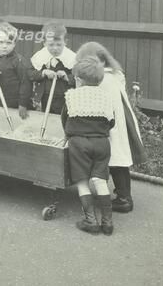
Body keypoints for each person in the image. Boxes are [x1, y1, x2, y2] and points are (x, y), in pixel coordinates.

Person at [76, 42, 147, 213]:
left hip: (113, 123)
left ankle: (123, 199)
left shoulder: (103, 80)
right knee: (118, 159)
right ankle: (123, 196)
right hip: (120, 120)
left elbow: (94, 102)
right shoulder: (114, 74)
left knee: (116, 160)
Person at [61, 56, 116, 235]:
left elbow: (65, 119)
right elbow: (111, 122)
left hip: (79, 143)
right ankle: (107, 222)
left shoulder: (71, 96)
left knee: (82, 181)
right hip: (101, 143)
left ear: (78, 79)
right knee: (100, 180)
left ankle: (90, 221)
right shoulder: (106, 97)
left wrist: (69, 134)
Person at [0, 22, 31, 119]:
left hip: (19, 104)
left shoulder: (18, 61)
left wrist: (23, 104)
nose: (4, 46)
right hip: (3, 102)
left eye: (8, 43)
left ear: (14, 44)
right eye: (1, 42)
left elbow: (26, 83)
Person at [29, 22, 76, 114]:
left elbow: (79, 78)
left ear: (65, 42)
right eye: (51, 45)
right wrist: (43, 73)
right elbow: (30, 73)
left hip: (64, 98)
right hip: (44, 97)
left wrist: (67, 77)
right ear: (44, 43)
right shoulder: (40, 56)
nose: (55, 48)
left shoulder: (71, 58)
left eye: (58, 45)